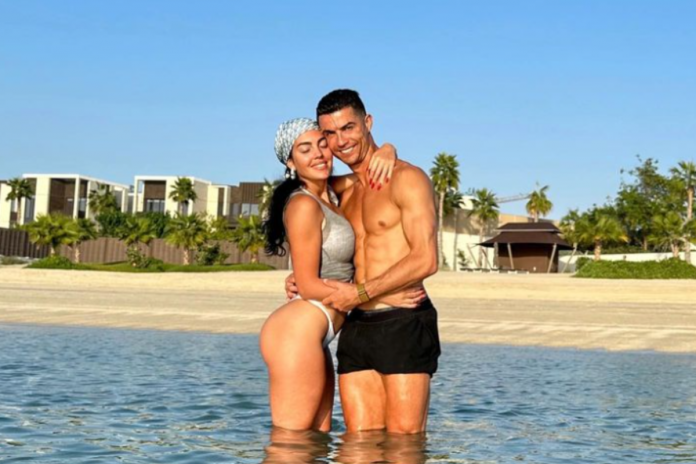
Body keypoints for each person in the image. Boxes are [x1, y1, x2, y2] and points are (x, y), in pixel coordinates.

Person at [285, 89, 440, 434]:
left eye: (349, 128)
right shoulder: (340, 190)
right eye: (330, 133)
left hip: (403, 321)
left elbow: (426, 259)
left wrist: (360, 293)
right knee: (357, 444)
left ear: (367, 122)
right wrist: (303, 276)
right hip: (356, 326)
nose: (341, 141)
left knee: (403, 445)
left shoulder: (407, 179)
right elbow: (303, 196)